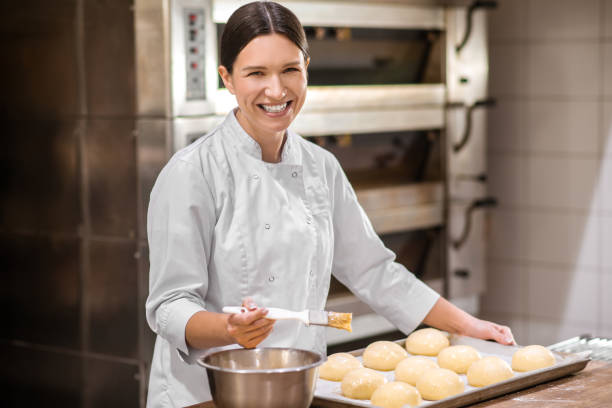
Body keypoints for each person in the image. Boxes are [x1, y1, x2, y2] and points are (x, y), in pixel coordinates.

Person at [145, 1, 514, 406]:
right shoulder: (192, 173)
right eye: (256, 73)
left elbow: (375, 271)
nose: (276, 90)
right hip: (207, 395)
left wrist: (468, 325)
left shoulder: (321, 166)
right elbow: (169, 306)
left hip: (298, 389)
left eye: (290, 70)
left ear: (307, 67)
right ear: (227, 79)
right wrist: (228, 328)